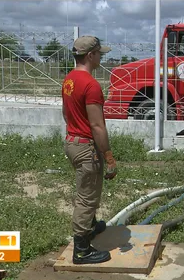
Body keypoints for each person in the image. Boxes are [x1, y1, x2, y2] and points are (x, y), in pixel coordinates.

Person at [61, 36, 117, 265]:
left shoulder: (69, 80)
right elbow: (97, 125)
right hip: (86, 147)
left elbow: (66, 114)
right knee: (86, 198)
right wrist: (109, 156)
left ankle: (91, 227)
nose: (101, 56)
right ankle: (82, 250)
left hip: (72, 142)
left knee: (88, 189)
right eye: (99, 53)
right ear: (90, 55)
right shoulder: (90, 85)